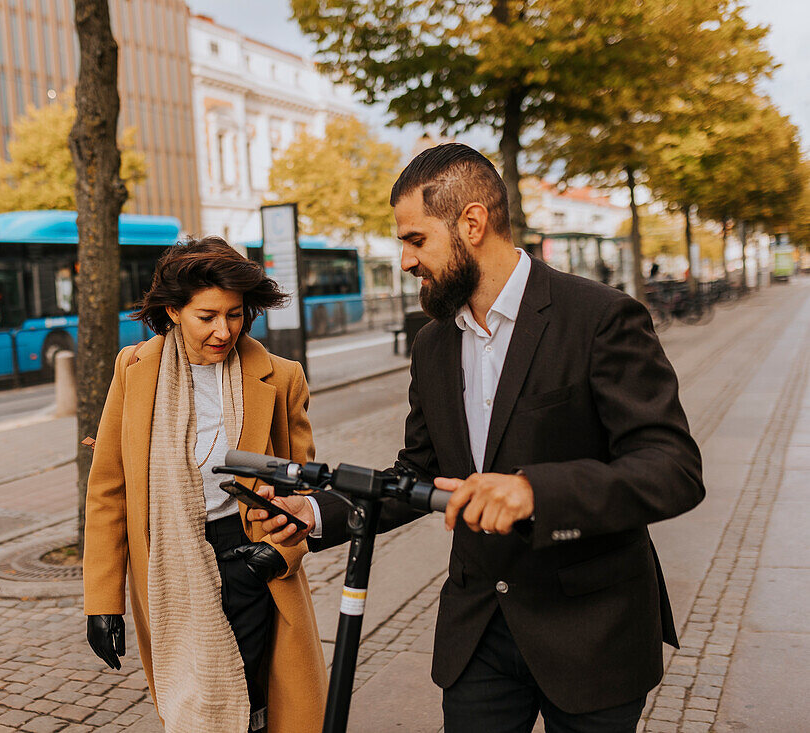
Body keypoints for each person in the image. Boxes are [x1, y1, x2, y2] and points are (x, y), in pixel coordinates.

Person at [252, 143, 705, 732]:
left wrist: (537, 493)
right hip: (479, 631)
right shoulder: (433, 344)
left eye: (416, 240)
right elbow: (417, 471)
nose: (408, 261)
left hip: (592, 629)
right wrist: (314, 513)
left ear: (472, 222)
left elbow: (672, 468)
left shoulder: (600, 317)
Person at [82, 236, 327, 733]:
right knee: (194, 701)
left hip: (250, 556)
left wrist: (279, 556)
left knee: (253, 698)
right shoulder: (134, 371)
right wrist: (103, 603)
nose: (224, 330)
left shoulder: (280, 377)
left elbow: (305, 490)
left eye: (234, 314)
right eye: (207, 316)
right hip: (168, 564)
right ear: (173, 311)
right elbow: (109, 491)